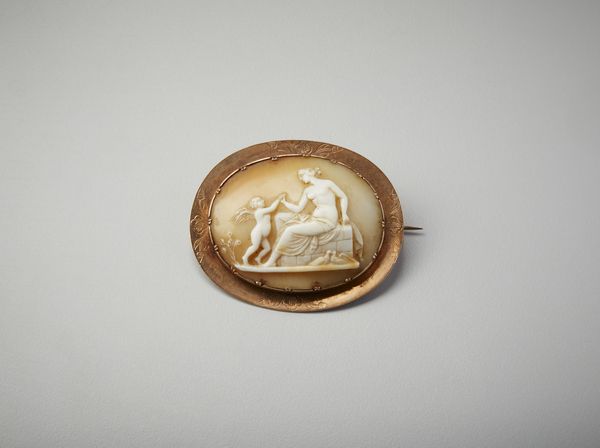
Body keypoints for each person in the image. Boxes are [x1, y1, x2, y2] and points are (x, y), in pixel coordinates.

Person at [262, 167, 351, 267]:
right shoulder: (307, 190)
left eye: (301, 175)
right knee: (281, 218)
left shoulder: (327, 183)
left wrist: (344, 214)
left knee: (289, 230)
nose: (300, 178)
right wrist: (285, 203)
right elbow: (298, 209)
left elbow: (343, 197)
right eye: (299, 176)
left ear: (310, 173)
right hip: (315, 219)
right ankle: (277, 258)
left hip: (327, 221)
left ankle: (272, 261)